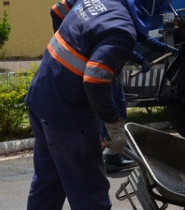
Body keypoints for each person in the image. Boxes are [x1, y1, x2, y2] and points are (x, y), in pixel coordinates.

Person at [12, 0, 167, 210]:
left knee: (50, 180)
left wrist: (88, 47)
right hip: (69, 113)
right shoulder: (121, 29)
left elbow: (58, 10)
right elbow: (95, 79)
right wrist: (112, 122)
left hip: (43, 96)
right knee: (89, 188)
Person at [51, 0, 177, 173]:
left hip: (102, 72)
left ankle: (112, 154)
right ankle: (110, 156)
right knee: (112, 110)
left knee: (116, 108)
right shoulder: (117, 20)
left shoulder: (117, 16)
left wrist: (166, 48)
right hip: (101, 73)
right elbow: (119, 42)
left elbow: (141, 38)